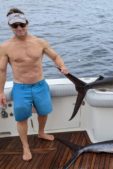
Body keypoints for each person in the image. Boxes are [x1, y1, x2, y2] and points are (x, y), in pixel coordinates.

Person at [0, 8, 69, 161]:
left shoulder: (40, 42)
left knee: (43, 112)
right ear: (10, 26)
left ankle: (41, 132)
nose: (19, 28)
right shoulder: (5, 47)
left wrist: (62, 66)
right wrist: (0, 92)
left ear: (27, 23)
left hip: (40, 85)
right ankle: (25, 146)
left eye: (21, 24)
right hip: (20, 87)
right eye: (15, 25)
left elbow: (55, 56)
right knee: (22, 118)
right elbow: (2, 71)